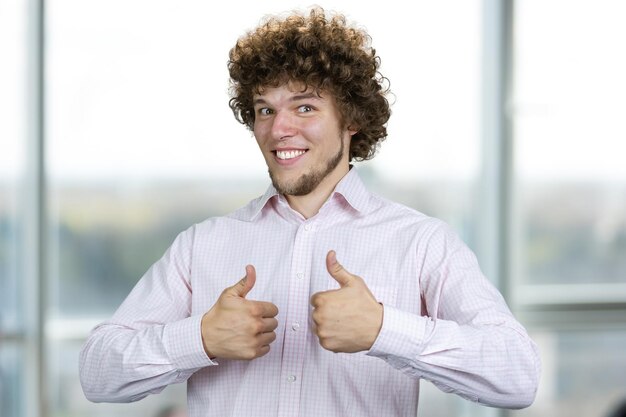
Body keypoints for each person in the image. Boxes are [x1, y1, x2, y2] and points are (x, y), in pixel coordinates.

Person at [79, 7, 540, 417]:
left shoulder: (421, 243)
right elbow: (97, 371)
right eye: (264, 109)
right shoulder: (202, 244)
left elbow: (517, 374)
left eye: (304, 106)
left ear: (352, 119)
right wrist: (197, 339)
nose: (279, 128)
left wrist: (385, 329)